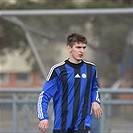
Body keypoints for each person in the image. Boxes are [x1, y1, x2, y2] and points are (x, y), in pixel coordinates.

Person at [37, 33, 102, 133]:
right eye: (78, 47)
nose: (81, 51)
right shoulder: (58, 70)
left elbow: (94, 88)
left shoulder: (91, 69)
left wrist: (95, 101)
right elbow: (44, 96)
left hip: (82, 125)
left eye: (84, 47)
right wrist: (43, 118)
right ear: (69, 48)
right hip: (62, 125)